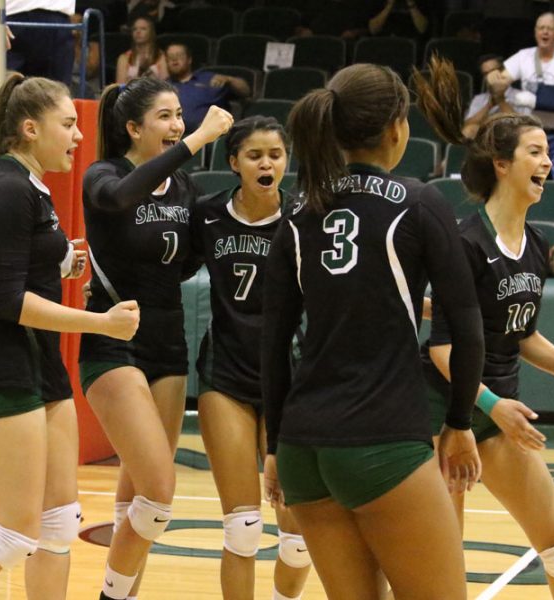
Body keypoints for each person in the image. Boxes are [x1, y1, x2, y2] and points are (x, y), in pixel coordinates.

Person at [261, 60, 487, 600]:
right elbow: (468, 324)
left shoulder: (295, 212)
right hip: (382, 440)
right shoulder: (419, 200)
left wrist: (274, 448)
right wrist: (459, 420)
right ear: (396, 128)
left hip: (303, 449)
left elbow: (272, 346)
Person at [0, 74, 140, 600]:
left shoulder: (32, 186)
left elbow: (28, 258)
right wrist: (101, 323)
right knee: (17, 532)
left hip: (40, 368)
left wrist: (67, 262)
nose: (77, 136)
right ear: (28, 127)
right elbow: (10, 301)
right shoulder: (5, 189)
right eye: (67, 124)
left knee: (60, 524)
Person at [417, 79, 554, 599]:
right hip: (444, 412)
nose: (548, 161)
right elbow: (442, 349)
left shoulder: (537, 243)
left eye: (549, 152)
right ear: (502, 165)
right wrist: (490, 403)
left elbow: (521, 332)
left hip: (500, 411)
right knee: (439, 568)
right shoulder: (465, 240)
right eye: (536, 151)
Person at [80, 77, 232, 600]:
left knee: (142, 497)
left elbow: (190, 256)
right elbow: (123, 196)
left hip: (169, 344)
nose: (176, 125)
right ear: (133, 127)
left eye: (178, 117)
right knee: (162, 494)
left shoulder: (185, 190)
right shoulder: (103, 174)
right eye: (165, 117)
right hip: (112, 341)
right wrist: (195, 142)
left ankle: (124, 595)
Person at [188, 116, 311, 600]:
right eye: (255, 155)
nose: (267, 163)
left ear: (287, 162)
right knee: (241, 526)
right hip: (226, 373)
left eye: (275, 155)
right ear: (235, 162)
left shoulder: (305, 217)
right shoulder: (208, 214)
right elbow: (162, 264)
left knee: (298, 538)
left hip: (292, 377)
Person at [494, 12, 554, 185]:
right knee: (518, 184)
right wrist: (495, 81)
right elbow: (501, 79)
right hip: (531, 134)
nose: (545, 32)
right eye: (541, 28)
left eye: (550, 29)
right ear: (535, 32)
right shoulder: (523, 56)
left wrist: (533, 100)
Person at [165, 43, 250, 134]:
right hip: (174, 135)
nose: (174, 59)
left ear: (189, 59)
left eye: (179, 55)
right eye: (170, 57)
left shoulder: (208, 79)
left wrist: (229, 79)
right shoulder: (164, 86)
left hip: (210, 135)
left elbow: (245, 91)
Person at [462, 54, 520, 140]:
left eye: (493, 71)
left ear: (503, 71)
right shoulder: (479, 99)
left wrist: (501, 100)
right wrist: (489, 105)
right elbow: (467, 125)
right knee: (469, 129)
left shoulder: (519, 96)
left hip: (510, 140)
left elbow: (519, 125)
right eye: (486, 74)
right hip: (484, 141)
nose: (490, 77)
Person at [116, 16, 167, 84]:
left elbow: (166, 84)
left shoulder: (161, 56)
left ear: (151, 32)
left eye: (143, 29)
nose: (138, 32)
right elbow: (120, 87)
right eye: (135, 29)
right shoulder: (124, 58)